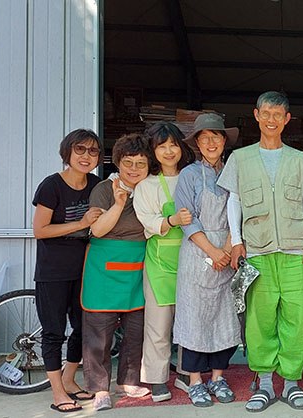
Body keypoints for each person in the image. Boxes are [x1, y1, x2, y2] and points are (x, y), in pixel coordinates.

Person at [218, 91, 303, 412]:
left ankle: (290, 383)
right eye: (266, 114)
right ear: (256, 116)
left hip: (294, 250)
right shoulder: (240, 158)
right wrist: (236, 239)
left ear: (287, 119)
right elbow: (233, 201)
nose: (272, 119)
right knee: (260, 320)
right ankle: (263, 384)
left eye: (278, 114)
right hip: (257, 250)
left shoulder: (299, 159)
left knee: (297, 318)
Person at [173, 114, 242, 407]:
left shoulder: (233, 172)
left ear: (224, 141)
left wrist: (227, 248)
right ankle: (195, 381)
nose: (211, 142)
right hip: (197, 252)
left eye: (216, 137)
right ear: (197, 144)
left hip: (228, 249)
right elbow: (187, 219)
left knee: (223, 317)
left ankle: (217, 377)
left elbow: (238, 213)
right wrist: (213, 252)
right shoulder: (188, 175)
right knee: (194, 318)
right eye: (205, 138)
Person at [32, 129, 102, 413]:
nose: (86, 157)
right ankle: (58, 391)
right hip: (53, 272)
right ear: (68, 153)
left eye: (93, 151)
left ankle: (70, 379)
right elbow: (40, 230)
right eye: (80, 150)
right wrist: (81, 222)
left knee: (84, 328)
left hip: (86, 270)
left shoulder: (97, 185)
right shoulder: (51, 186)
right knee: (53, 333)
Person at [80, 133, 152, 411]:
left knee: (136, 329)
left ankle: (128, 381)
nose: (134, 169)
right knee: (99, 330)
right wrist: (120, 203)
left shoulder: (149, 190)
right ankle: (99, 388)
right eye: (128, 162)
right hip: (104, 266)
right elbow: (97, 229)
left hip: (138, 265)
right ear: (118, 163)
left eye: (141, 163)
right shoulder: (103, 190)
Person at [133, 122, 195, 403]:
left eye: (173, 145)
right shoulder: (145, 184)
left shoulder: (193, 176)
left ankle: (185, 373)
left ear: (182, 147)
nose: (169, 151)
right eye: (161, 146)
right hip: (159, 263)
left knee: (189, 320)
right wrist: (170, 221)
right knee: (158, 324)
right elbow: (146, 220)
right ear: (153, 151)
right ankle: (157, 379)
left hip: (192, 256)